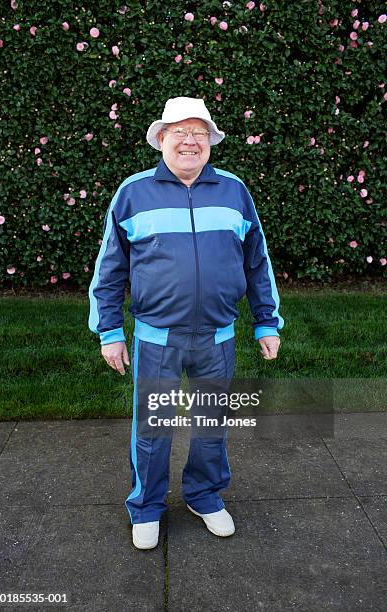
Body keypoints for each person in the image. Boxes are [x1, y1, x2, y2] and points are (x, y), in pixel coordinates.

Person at [88, 97, 283, 550]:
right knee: (153, 428)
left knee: (211, 425)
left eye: (199, 132)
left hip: (217, 338)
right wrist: (111, 332)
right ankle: (147, 507)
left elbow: (258, 262)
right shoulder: (133, 192)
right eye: (179, 132)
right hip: (157, 338)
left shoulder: (234, 191)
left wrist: (266, 322)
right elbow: (109, 269)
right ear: (162, 139)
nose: (189, 141)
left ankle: (204, 495)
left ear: (210, 142)